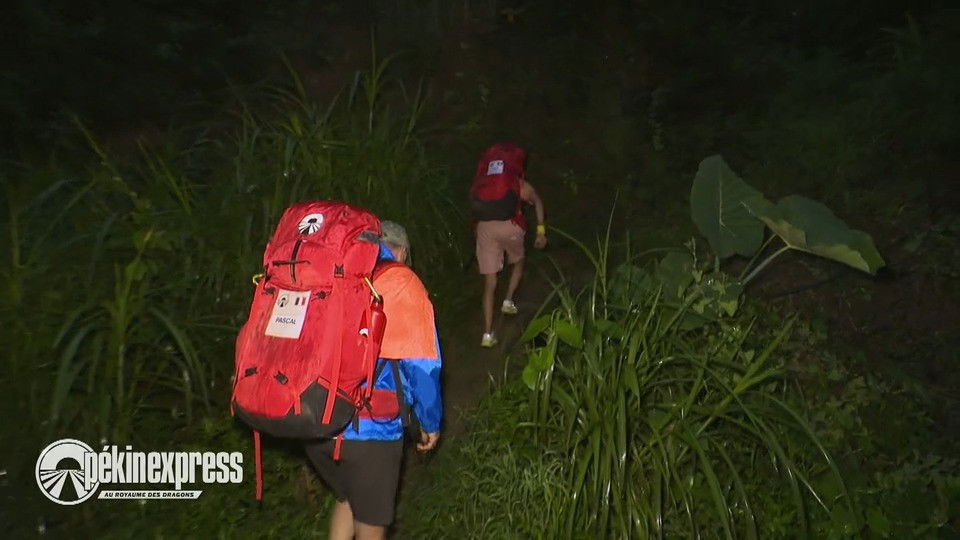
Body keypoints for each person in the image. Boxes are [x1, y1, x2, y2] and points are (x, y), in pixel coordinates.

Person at [304, 221, 442, 540]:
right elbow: (422, 364)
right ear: (401, 251)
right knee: (370, 524)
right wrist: (430, 421)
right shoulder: (400, 282)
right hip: (368, 431)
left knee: (348, 499)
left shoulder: (334, 273)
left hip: (315, 421)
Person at [474, 152, 547, 348]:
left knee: (489, 282)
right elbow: (537, 201)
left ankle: (487, 334)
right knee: (519, 261)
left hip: (485, 228)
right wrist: (540, 231)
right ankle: (507, 301)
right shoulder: (516, 182)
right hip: (510, 226)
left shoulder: (484, 182)